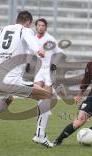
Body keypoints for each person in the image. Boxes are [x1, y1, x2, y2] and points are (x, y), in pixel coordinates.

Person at [0, 11, 53, 148]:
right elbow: (31, 40)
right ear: (28, 23)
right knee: (48, 96)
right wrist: (38, 49)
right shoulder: (25, 30)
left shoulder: (4, 30)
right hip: (10, 80)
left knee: (8, 98)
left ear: (16, 19)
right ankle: (40, 135)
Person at [25, 18, 63, 147]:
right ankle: (43, 116)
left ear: (46, 27)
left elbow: (60, 54)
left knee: (46, 95)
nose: (41, 27)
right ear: (36, 27)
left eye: (43, 25)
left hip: (49, 70)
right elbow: (30, 52)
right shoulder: (33, 39)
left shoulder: (50, 39)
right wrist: (28, 64)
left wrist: (55, 64)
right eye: (39, 25)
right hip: (39, 69)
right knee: (38, 93)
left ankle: (42, 121)